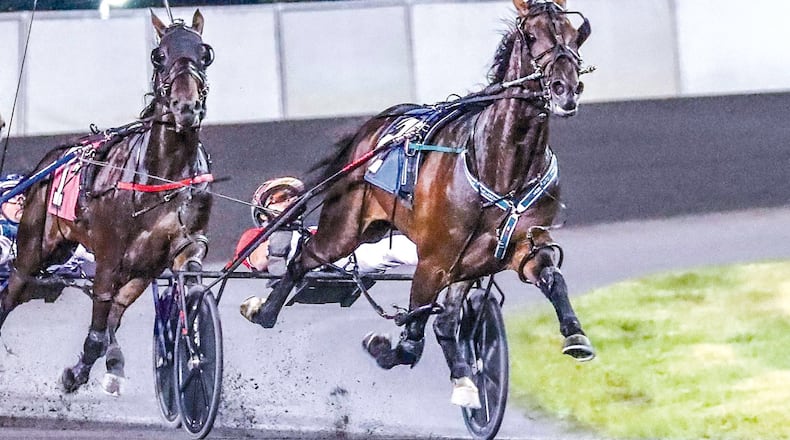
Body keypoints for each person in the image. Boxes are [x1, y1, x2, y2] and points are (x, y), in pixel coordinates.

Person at [235, 177, 418, 320]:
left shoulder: (314, 230)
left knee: (394, 247)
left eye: (293, 196)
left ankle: (443, 262)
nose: (291, 200)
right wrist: (282, 228)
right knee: (285, 237)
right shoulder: (254, 235)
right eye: (281, 198)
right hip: (294, 269)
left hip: (339, 262)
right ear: (262, 214)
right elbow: (258, 262)